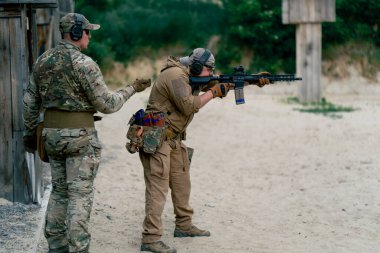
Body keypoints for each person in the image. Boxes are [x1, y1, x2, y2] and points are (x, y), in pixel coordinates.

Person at [23, 13, 151, 253]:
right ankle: (79, 248)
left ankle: (57, 246)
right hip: (80, 138)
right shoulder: (85, 64)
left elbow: (30, 101)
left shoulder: (43, 60)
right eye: (88, 32)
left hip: (50, 136)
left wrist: (30, 133)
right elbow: (108, 104)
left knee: (59, 191)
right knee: (80, 195)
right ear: (76, 33)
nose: (90, 37)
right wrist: (133, 87)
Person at [136, 48, 269, 253]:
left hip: (173, 139)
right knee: (157, 191)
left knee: (182, 183)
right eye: (209, 70)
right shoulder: (175, 75)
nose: (211, 74)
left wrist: (250, 80)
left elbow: (220, 82)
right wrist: (214, 92)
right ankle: (150, 239)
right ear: (196, 66)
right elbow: (190, 105)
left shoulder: (189, 75)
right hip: (157, 139)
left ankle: (184, 225)